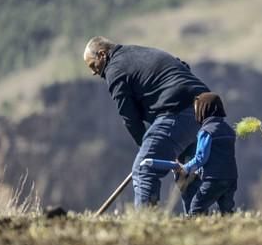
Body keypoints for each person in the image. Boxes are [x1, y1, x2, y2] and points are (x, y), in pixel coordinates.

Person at [83, 36, 209, 208]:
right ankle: (198, 221)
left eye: (93, 65)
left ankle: (145, 225)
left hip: (177, 111)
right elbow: (182, 65)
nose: (94, 72)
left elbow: (129, 117)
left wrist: (147, 149)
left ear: (103, 54)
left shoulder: (114, 68)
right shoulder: (139, 52)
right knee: (187, 172)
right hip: (203, 109)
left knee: (144, 168)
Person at [178, 92, 238, 215]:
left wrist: (186, 168)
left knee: (196, 208)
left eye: (197, 110)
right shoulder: (229, 130)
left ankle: (197, 231)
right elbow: (220, 155)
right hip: (231, 178)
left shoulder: (206, 131)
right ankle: (234, 230)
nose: (196, 113)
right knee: (227, 211)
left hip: (213, 179)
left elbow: (201, 158)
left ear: (203, 110)